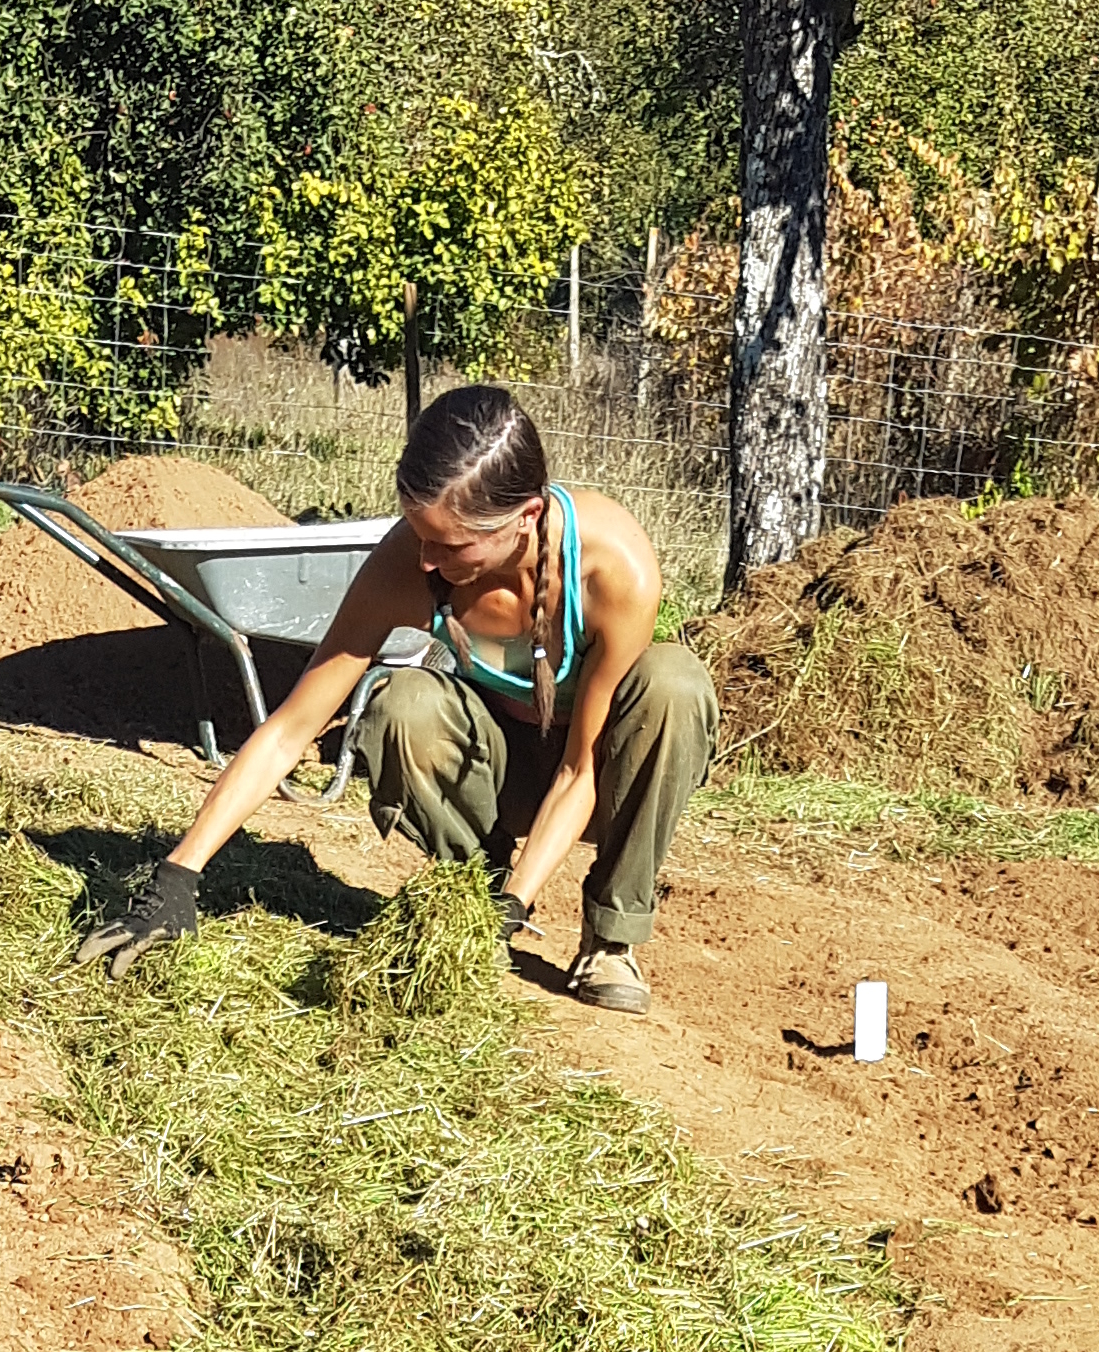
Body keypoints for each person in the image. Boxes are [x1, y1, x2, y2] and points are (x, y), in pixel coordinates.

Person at [82, 382, 718, 1018]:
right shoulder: (409, 565)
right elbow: (290, 729)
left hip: (606, 777)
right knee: (402, 702)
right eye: (418, 534)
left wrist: (518, 908)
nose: (426, 560)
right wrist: (178, 875)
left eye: (450, 545)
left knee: (673, 683)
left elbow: (582, 770)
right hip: (491, 770)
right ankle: (474, 891)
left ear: (525, 516)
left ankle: (611, 937)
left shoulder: (614, 569)